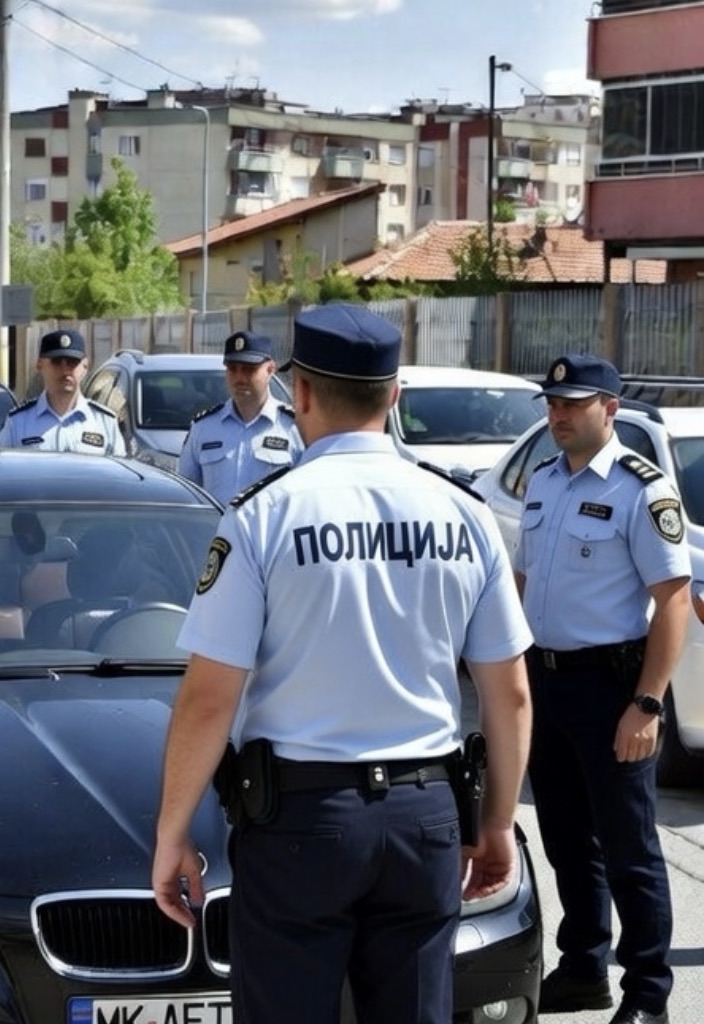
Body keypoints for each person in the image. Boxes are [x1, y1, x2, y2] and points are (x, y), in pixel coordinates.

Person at [151, 302, 533, 1024]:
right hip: (426, 817)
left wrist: (172, 834)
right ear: (394, 396)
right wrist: (497, 822)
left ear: (299, 392)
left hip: (302, 821)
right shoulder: (465, 514)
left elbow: (208, 699)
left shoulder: (264, 516)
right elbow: (508, 693)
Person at [517, 354, 689, 1024]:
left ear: (610, 409)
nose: (557, 415)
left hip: (611, 687)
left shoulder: (641, 489)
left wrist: (647, 704)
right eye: (553, 404)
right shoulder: (543, 481)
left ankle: (648, 993)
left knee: (629, 848)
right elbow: (524, 583)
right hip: (546, 681)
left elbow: (673, 602)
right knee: (565, 838)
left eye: (573, 404)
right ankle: (585, 967)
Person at [177, 330, 303, 504]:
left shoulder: (294, 428)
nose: (239, 378)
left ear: (270, 370)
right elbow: (186, 495)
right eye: (232, 369)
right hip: (218, 522)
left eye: (249, 369)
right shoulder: (204, 428)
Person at [0, 329, 125, 454]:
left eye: (72, 362)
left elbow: (119, 469)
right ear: (40, 365)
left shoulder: (104, 422)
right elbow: (2, 467)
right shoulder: (17, 423)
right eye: (56, 362)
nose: (65, 370)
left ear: (85, 366)